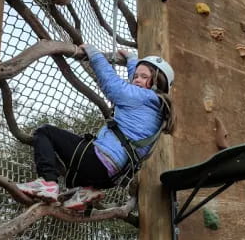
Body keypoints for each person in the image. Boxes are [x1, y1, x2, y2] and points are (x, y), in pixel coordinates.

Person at [17, 44, 175, 211]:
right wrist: (131, 60)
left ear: (156, 82)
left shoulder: (140, 96)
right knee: (77, 172)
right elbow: (136, 84)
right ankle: (87, 191)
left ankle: (47, 182)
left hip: (98, 161)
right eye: (135, 75)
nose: (136, 78)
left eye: (143, 76)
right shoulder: (157, 107)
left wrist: (94, 54)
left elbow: (111, 83)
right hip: (112, 177)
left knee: (45, 132)